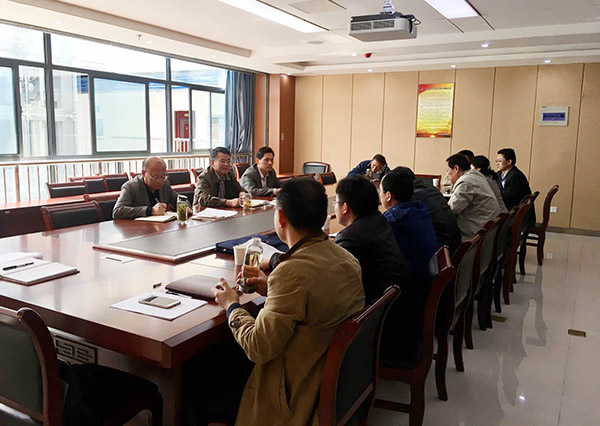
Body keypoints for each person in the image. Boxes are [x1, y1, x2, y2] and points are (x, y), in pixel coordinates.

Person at [211, 178, 365, 426]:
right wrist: (270, 288)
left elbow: (258, 347)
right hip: (333, 381)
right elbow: (313, 303)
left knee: (205, 374)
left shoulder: (291, 273)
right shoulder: (347, 258)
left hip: (295, 394)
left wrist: (231, 305)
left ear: (281, 217)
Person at [333, 175, 409, 304]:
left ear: (345, 208)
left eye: (335, 202)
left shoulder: (350, 239)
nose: (335, 206)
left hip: (378, 308)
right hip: (397, 300)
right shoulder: (379, 220)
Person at [379, 171, 439, 283]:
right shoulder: (419, 208)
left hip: (412, 282)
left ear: (388, 196)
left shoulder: (393, 219)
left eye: (380, 190)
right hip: (429, 276)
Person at [392, 167, 461, 255]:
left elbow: (398, 218)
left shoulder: (413, 195)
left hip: (442, 246)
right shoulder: (431, 188)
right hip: (453, 239)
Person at [112, 156, 189, 219]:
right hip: (138, 230)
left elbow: (179, 199)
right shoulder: (131, 187)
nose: (160, 181)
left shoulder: (165, 184)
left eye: (163, 176)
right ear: (143, 173)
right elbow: (117, 211)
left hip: (161, 229)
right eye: (155, 177)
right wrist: (150, 211)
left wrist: (186, 207)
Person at [446, 154, 501, 241]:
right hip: (491, 228)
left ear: (456, 168)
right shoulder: (476, 176)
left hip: (479, 235)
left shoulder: (466, 182)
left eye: (447, 170)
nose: (447, 175)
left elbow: (452, 210)